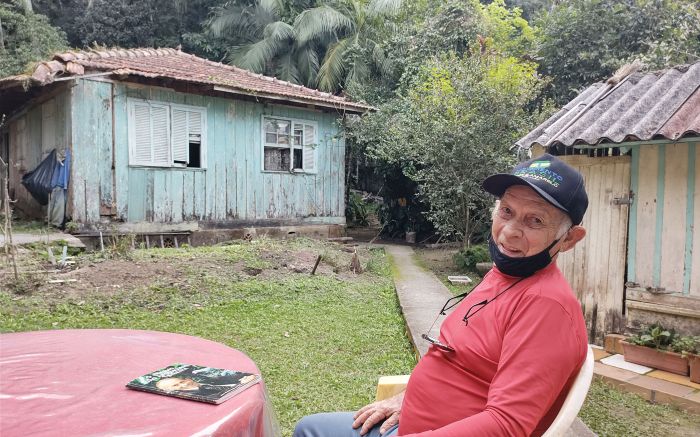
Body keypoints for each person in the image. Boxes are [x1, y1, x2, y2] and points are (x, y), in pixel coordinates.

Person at [293, 153, 589, 437]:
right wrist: (406, 397)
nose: (509, 231)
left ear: (569, 239)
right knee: (309, 428)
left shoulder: (546, 307)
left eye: (535, 221)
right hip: (409, 419)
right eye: (507, 211)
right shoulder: (505, 274)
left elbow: (505, 426)